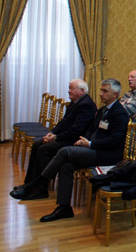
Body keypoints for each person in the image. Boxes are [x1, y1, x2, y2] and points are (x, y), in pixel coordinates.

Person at [11, 79, 129, 222]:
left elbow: (115, 140)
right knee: (66, 165)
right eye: (101, 90)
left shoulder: (120, 113)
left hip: (107, 155)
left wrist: (90, 143)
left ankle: (34, 184)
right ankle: (64, 208)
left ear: (115, 94)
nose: (100, 94)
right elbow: (90, 129)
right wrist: (82, 141)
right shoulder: (103, 109)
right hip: (93, 148)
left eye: (105, 91)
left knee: (65, 151)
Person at [16, 79, 97, 200]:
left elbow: (77, 130)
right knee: (37, 145)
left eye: (71, 88)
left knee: (44, 149)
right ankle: (29, 184)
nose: (68, 91)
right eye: (69, 88)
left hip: (75, 140)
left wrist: (56, 137)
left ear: (82, 91)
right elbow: (64, 122)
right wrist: (52, 133)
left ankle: (41, 189)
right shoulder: (75, 101)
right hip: (68, 136)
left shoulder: (86, 105)